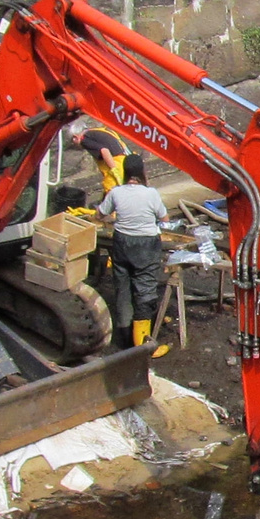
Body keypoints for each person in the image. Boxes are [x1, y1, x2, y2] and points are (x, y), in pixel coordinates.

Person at [97, 155, 171, 358]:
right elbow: (164, 218)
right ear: (142, 173)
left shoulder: (115, 192)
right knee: (145, 289)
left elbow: (100, 214)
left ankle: (123, 336)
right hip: (146, 244)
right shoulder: (151, 194)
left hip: (122, 243)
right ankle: (143, 345)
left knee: (122, 286)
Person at [72, 124, 132, 192]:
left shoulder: (84, 139)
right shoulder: (102, 131)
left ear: (75, 137)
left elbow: (104, 150)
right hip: (126, 161)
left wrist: (114, 170)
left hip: (116, 164)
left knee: (111, 192)